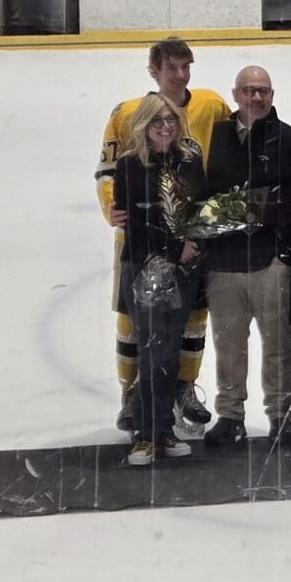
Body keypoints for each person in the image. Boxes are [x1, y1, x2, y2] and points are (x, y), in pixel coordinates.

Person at [97, 39, 231, 434]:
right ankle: (133, 392)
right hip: (140, 238)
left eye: (186, 66)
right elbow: (107, 171)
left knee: (192, 317)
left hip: (191, 238)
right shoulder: (127, 114)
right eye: (172, 67)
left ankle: (183, 388)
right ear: (154, 70)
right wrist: (112, 206)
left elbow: (239, 136)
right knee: (134, 320)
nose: (181, 75)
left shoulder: (211, 105)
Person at [199, 64, 291, 448]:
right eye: (248, 91)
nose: (256, 97)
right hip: (223, 264)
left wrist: (280, 241)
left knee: (277, 344)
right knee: (228, 344)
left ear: (272, 97)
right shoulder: (215, 137)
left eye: (263, 91)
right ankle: (230, 414)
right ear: (236, 95)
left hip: (269, 264)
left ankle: (280, 415)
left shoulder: (288, 140)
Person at [111, 93, 206, 466]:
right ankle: (143, 432)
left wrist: (192, 244)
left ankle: (163, 427)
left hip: (182, 270)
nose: (165, 127)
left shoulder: (189, 161)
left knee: (169, 349)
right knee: (151, 348)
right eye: (158, 121)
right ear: (145, 125)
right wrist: (173, 249)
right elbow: (134, 224)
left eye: (170, 120)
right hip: (144, 266)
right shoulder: (130, 165)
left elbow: (201, 209)